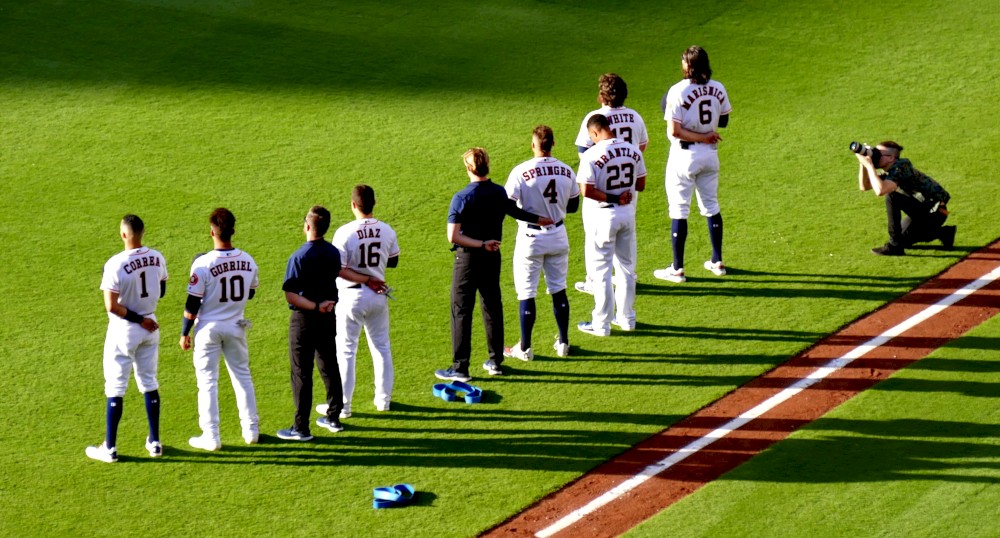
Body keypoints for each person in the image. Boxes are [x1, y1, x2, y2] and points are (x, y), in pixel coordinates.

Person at [435, 147, 553, 382]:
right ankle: (495, 361)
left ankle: (460, 368)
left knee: (461, 311)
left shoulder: (462, 197)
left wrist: (480, 243)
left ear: (469, 168)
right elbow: (516, 212)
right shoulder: (499, 193)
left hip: (468, 259)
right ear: (488, 164)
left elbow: (453, 236)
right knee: (492, 307)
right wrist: (540, 219)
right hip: (492, 256)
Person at [86, 215, 168, 463]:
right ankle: (154, 442)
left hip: (125, 328)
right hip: (150, 325)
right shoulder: (158, 257)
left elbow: (111, 306)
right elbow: (161, 290)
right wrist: (144, 314)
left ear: (123, 234)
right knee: (149, 382)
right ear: (143, 232)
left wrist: (136, 315)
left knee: (116, 386)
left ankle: (109, 448)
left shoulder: (115, 263)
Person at [180, 208, 260, 451]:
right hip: (236, 325)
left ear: (211, 231)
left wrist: (184, 332)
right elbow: (251, 292)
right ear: (233, 230)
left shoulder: (202, 263)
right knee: (242, 377)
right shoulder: (248, 260)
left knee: (207, 382)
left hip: (208, 329)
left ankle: (211, 436)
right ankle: (251, 430)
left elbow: (192, 304)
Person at [653, 45, 732, 284]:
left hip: (684, 156)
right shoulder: (718, 87)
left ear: (688, 66)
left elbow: (675, 131)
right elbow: (724, 120)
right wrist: (705, 132)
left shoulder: (677, 91)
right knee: (711, 205)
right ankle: (717, 261)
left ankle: (677, 269)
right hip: (710, 155)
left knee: (679, 210)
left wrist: (699, 134)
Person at [503, 126, 580, 360]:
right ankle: (564, 343)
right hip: (558, 235)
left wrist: (536, 216)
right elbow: (574, 206)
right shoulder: (567, 170)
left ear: (533, 145)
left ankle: (524, 348)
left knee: (527, 293)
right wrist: (553, 210)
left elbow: (506, 206)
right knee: (558, 289)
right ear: (553, 143)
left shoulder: (521, 171)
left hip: (531, 237)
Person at [574, 73, 649, 295]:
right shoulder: (635, 116)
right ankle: (626, 278)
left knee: (595, 235)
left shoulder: (595, 117)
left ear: (602, 95)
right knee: (626, 233)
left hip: (600, 188)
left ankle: (593, 281)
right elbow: (641, 148)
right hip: (628, 186)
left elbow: (583, 151)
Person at [329, 185, 400, 415]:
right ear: (373, 203)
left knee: (347, 351)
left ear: (353, 205)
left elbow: (337, 269)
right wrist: (371, 274)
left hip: (350, 297)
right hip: (378, 296)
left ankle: (344, 407)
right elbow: (393, 262)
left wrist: (363, 276)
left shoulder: (344, 232)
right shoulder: (387, 230)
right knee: (381, 348)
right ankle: (383, 401)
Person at [277, 205, 344, 442]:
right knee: (329, 365)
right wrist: (324, 305)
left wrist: (315, 306)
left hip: (305, 320)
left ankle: (301, 428)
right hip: (328, 315)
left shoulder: (299, 257)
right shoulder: (333, 252)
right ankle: (334, 417)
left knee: (301, 372)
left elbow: (291, 295)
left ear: (307, 226)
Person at [576, 114, 647, 336]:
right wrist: (622, 196)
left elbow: (586, 191)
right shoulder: (632, 150)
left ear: (595, 132)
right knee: (626, 268)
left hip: (603, 216)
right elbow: (641, 184)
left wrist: (612, 197)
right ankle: (627, 319)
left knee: (602, 271)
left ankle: (602, 324)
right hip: (627, 214)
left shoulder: (591, 154)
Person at [857, 141, 954, 255]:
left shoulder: (901, 167)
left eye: (878, 153)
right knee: (903, 240)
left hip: (937, 211)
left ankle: (894, 246)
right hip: (925, 210)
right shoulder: (890, 172)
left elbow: (881, 191)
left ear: (891, 158)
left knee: (892, 195)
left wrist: (869, 165)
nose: (874, 155)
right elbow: (864, 186)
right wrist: (863, 164)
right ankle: (944, 233)